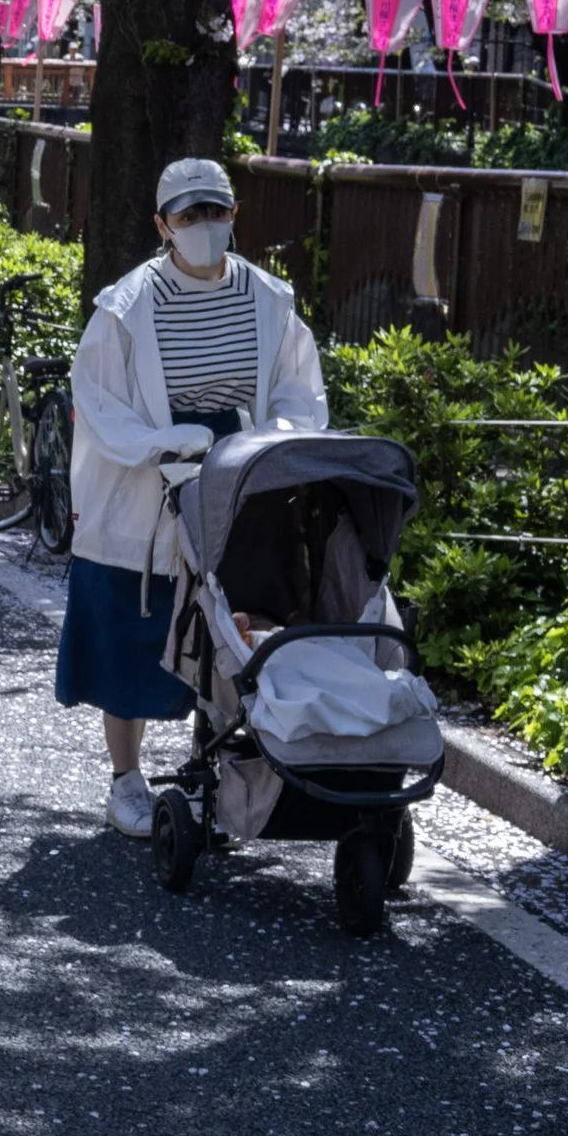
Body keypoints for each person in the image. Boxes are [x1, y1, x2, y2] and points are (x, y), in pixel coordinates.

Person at [63, 155, 328, 837]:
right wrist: (160, 442)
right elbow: (98, 399)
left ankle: (217, 774)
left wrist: (271, 441)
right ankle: (125, 780)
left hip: (241, 480)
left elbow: (298, 390)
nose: (204, 225)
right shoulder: (126, 307)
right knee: (135, 631)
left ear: (234, 214)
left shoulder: (268, 300)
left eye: (215, 211)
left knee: (232, 634)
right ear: (163, 225)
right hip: (147, 480)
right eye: (189, 215)